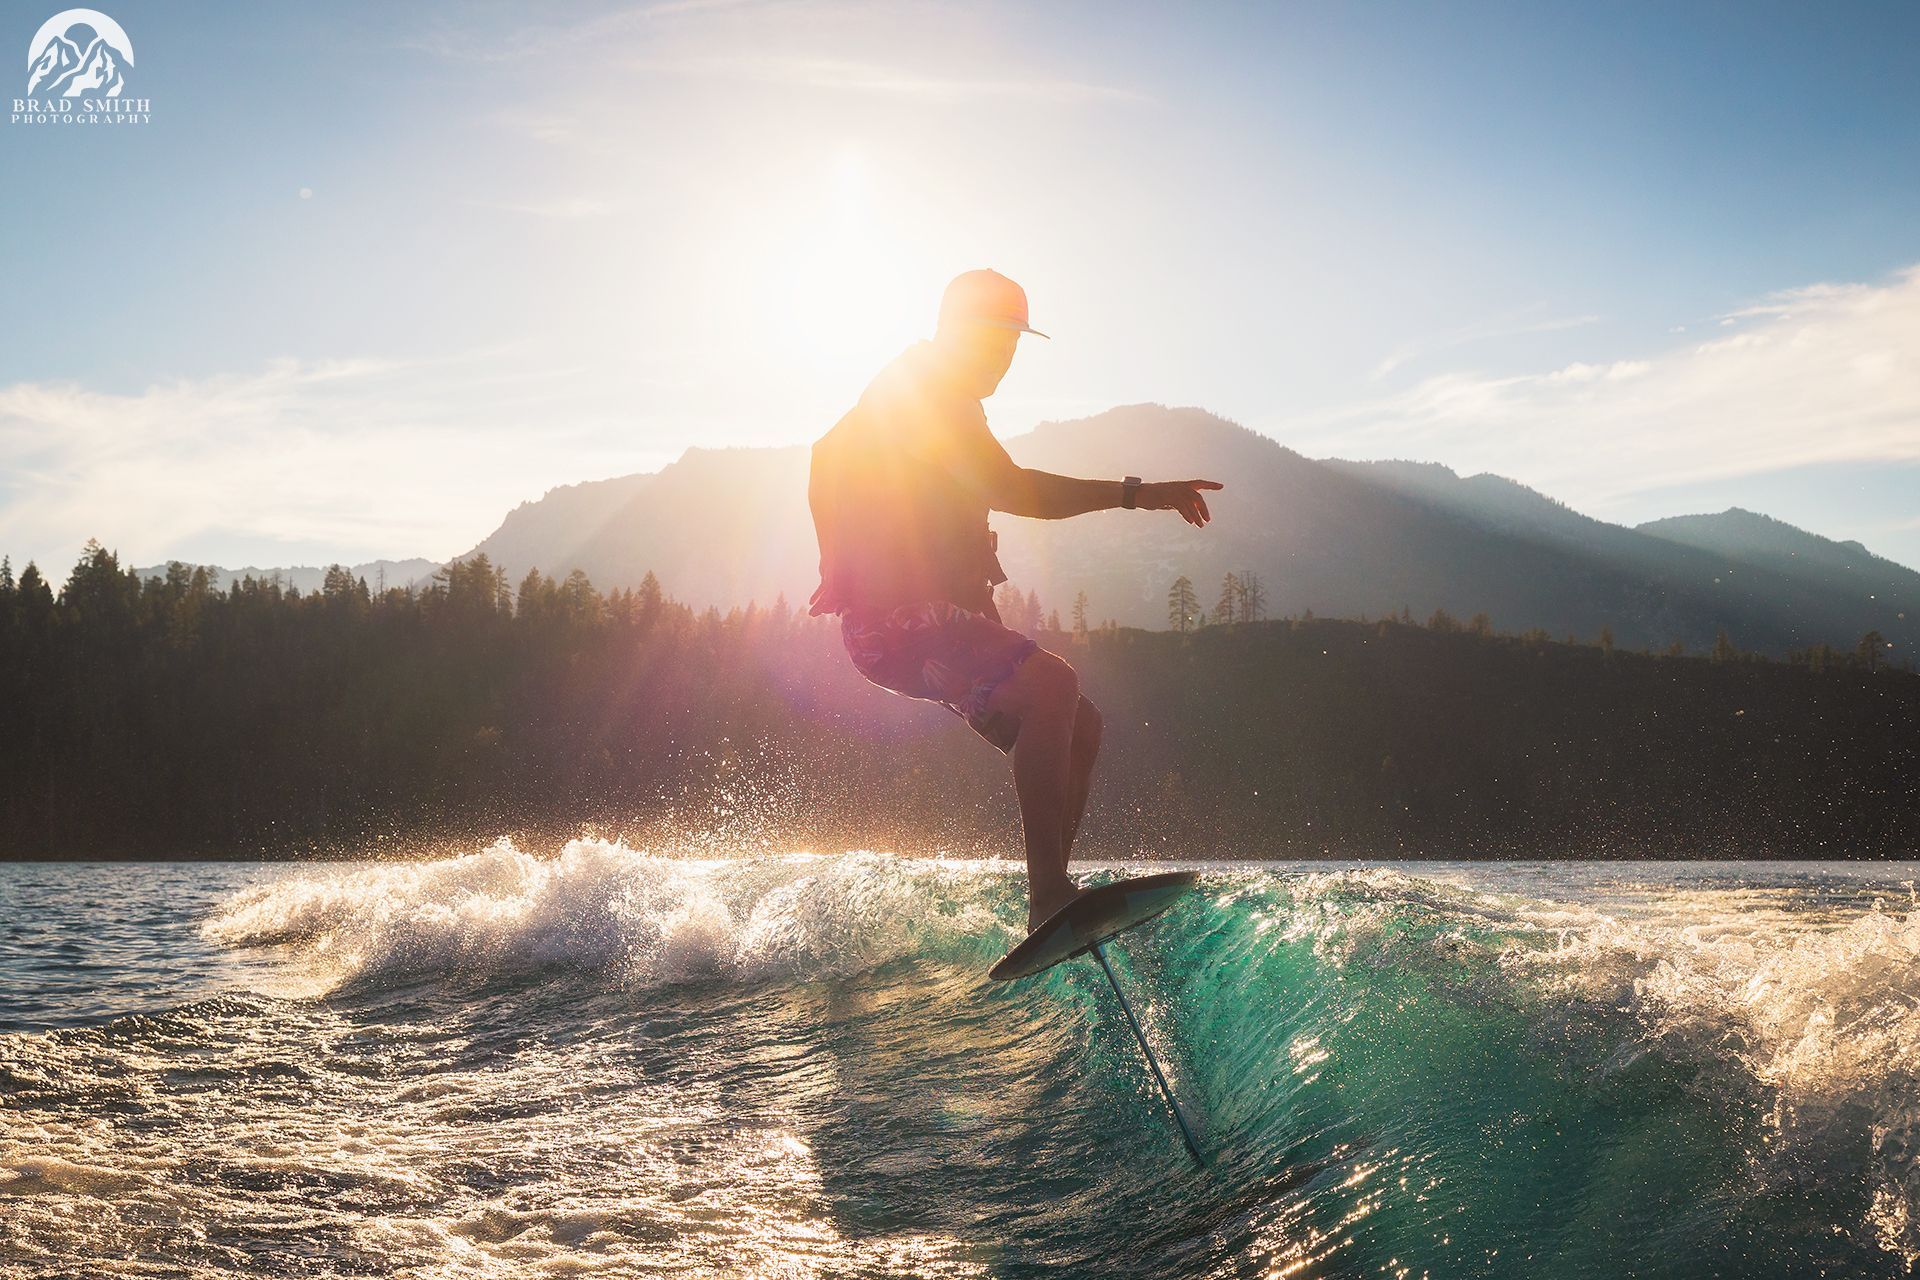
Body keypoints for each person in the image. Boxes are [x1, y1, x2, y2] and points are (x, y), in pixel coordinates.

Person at [807, 269, 1222, 932]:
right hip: (898, 622)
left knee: (1077, 725)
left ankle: (1051, 894)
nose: (1004, 358)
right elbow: (1013, 488)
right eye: (992, 341)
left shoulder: (931, 394)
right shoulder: (923, 395)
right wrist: (1137, 492)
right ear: (953, 333)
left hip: (925, 623)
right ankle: (1048, 896)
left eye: (1013, 344)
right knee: (1055, 688)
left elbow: (824, 451)